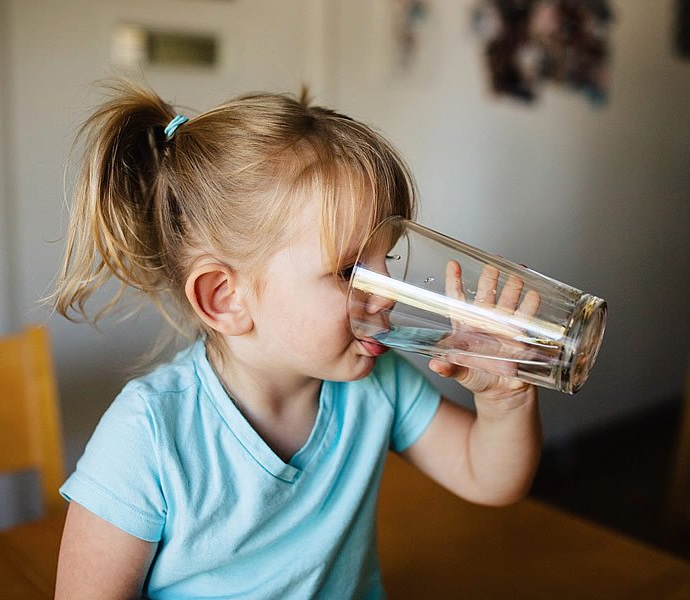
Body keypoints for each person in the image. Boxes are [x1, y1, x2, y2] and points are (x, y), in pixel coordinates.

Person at [52, 80, 542, 599]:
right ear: (226, 298)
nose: (389, 293)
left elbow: (487, 478)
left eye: (388, 257)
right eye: (349, 269)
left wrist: (504, 401)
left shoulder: (378, 382)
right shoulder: (148, 435)